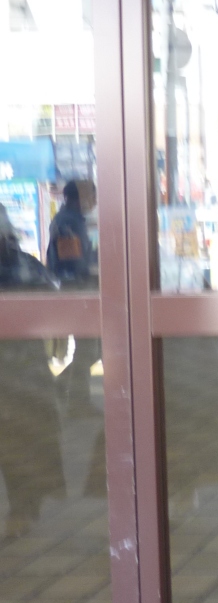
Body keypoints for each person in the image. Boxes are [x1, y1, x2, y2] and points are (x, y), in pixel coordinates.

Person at [0, 203, 66, 540]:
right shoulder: (25, 264)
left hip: (15, 369)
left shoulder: (20, 265)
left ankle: (23, 511)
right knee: (20, 440)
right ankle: (23, 510)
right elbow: (54, 302)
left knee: (15, 440)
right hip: (23, 369)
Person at [46, 180, 101, 417]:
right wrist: (96, 264)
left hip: (79, 290)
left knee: (92, 348)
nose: (94, 202)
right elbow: (73, 263)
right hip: (77, 291)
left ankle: (67, 390)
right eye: (92, 196)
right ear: (80, 198)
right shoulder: (68, 222)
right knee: (89, 347)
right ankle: (75, 399)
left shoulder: (73, 220)